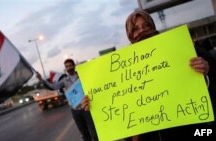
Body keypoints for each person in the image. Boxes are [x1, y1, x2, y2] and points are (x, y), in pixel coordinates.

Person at [81, 10, 215, 141]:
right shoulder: (121, 69)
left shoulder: (179, 48)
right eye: (136, 29)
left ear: (153, 26)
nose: (142, 31)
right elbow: (115, 102)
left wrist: (206, 71)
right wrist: (93, 103)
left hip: (189, 129)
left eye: (146, 26)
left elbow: (208, 86)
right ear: (129, 35)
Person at [36, 58, 98, 141]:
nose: (68, 68)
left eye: (70, 65)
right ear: (65, 69)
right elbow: (53, 87)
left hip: (87, 108)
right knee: (84, 133)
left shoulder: (82, 76)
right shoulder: (64, 81)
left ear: (74, 66)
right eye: (66, 66)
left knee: (94, 131)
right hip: (75, 110)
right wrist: (41, 79)